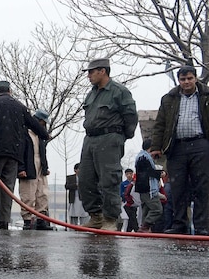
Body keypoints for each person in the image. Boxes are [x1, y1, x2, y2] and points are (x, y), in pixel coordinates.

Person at [0, 81, 48, 230]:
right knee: (8, 188)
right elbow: (33, 124)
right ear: (10, 91)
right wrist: (44, 134)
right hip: (14, 154)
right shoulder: (20, 106)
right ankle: (4, 221)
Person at [78, 57, 138, 231]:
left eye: (91, 72)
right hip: (90, 139)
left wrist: (120, 137)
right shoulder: (92, 93)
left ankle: (111, 219)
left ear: (102, 71)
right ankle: (96, 216)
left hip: (110, 137)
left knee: (109, 179)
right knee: (85, 180)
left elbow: (130, 116)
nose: (88, 75)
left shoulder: (119, 91)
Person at [149, 64, 209, 235]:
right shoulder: (169, 98)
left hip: (201, 144)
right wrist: (156, 147)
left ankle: (202, 227)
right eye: (183, 79)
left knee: (202, 187)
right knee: (177, 188)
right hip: (176, 147)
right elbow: (160, 124)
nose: (186, 82)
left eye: (189, 78)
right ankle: (179, 224)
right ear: (179, 81)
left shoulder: (206, 95)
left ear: (195, 78)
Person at [18, 108, 52, 230]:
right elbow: (20, 151)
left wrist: (45, 167)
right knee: (28, 193)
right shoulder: (24, 132)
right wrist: (21, 168)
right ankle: (27, 220)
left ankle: (41, 219)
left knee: (42, 193)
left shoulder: (40, 135)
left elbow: (43, 152)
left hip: (40, 166)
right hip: (28, 165)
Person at [134, 139, 163, 233]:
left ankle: (143, 228)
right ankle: (145, 226)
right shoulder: (144, 157)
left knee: (146, 209)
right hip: (148, 188)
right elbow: (147, 172)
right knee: (157, 209)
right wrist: (159, 173)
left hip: (142, 188)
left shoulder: (140, 157)